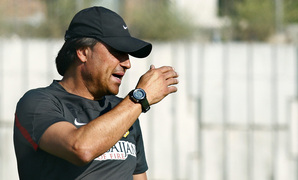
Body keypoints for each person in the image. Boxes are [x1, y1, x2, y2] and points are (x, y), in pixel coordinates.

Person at [13, 6, 179, 180]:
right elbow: (80, 149)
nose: (127, 63)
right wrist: (139, 98)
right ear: (83, 52)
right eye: (118, 51)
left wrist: (134, 104)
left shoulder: (125, 110)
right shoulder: (37, 103)